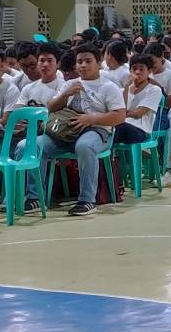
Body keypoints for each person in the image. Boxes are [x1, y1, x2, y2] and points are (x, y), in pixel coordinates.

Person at [40, 47, 126, 216]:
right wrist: (65, 95)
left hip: (98, 131)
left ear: (98, 63)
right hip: (66, 132)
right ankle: (35, 197)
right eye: (80, 62)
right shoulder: (70, 84)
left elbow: (120, 117)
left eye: (88, 61)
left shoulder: (109, 87)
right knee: (33, 145)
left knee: (84, 146)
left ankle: (87, 200)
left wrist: (92, 119)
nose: (83, 65)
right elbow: (50, 109)